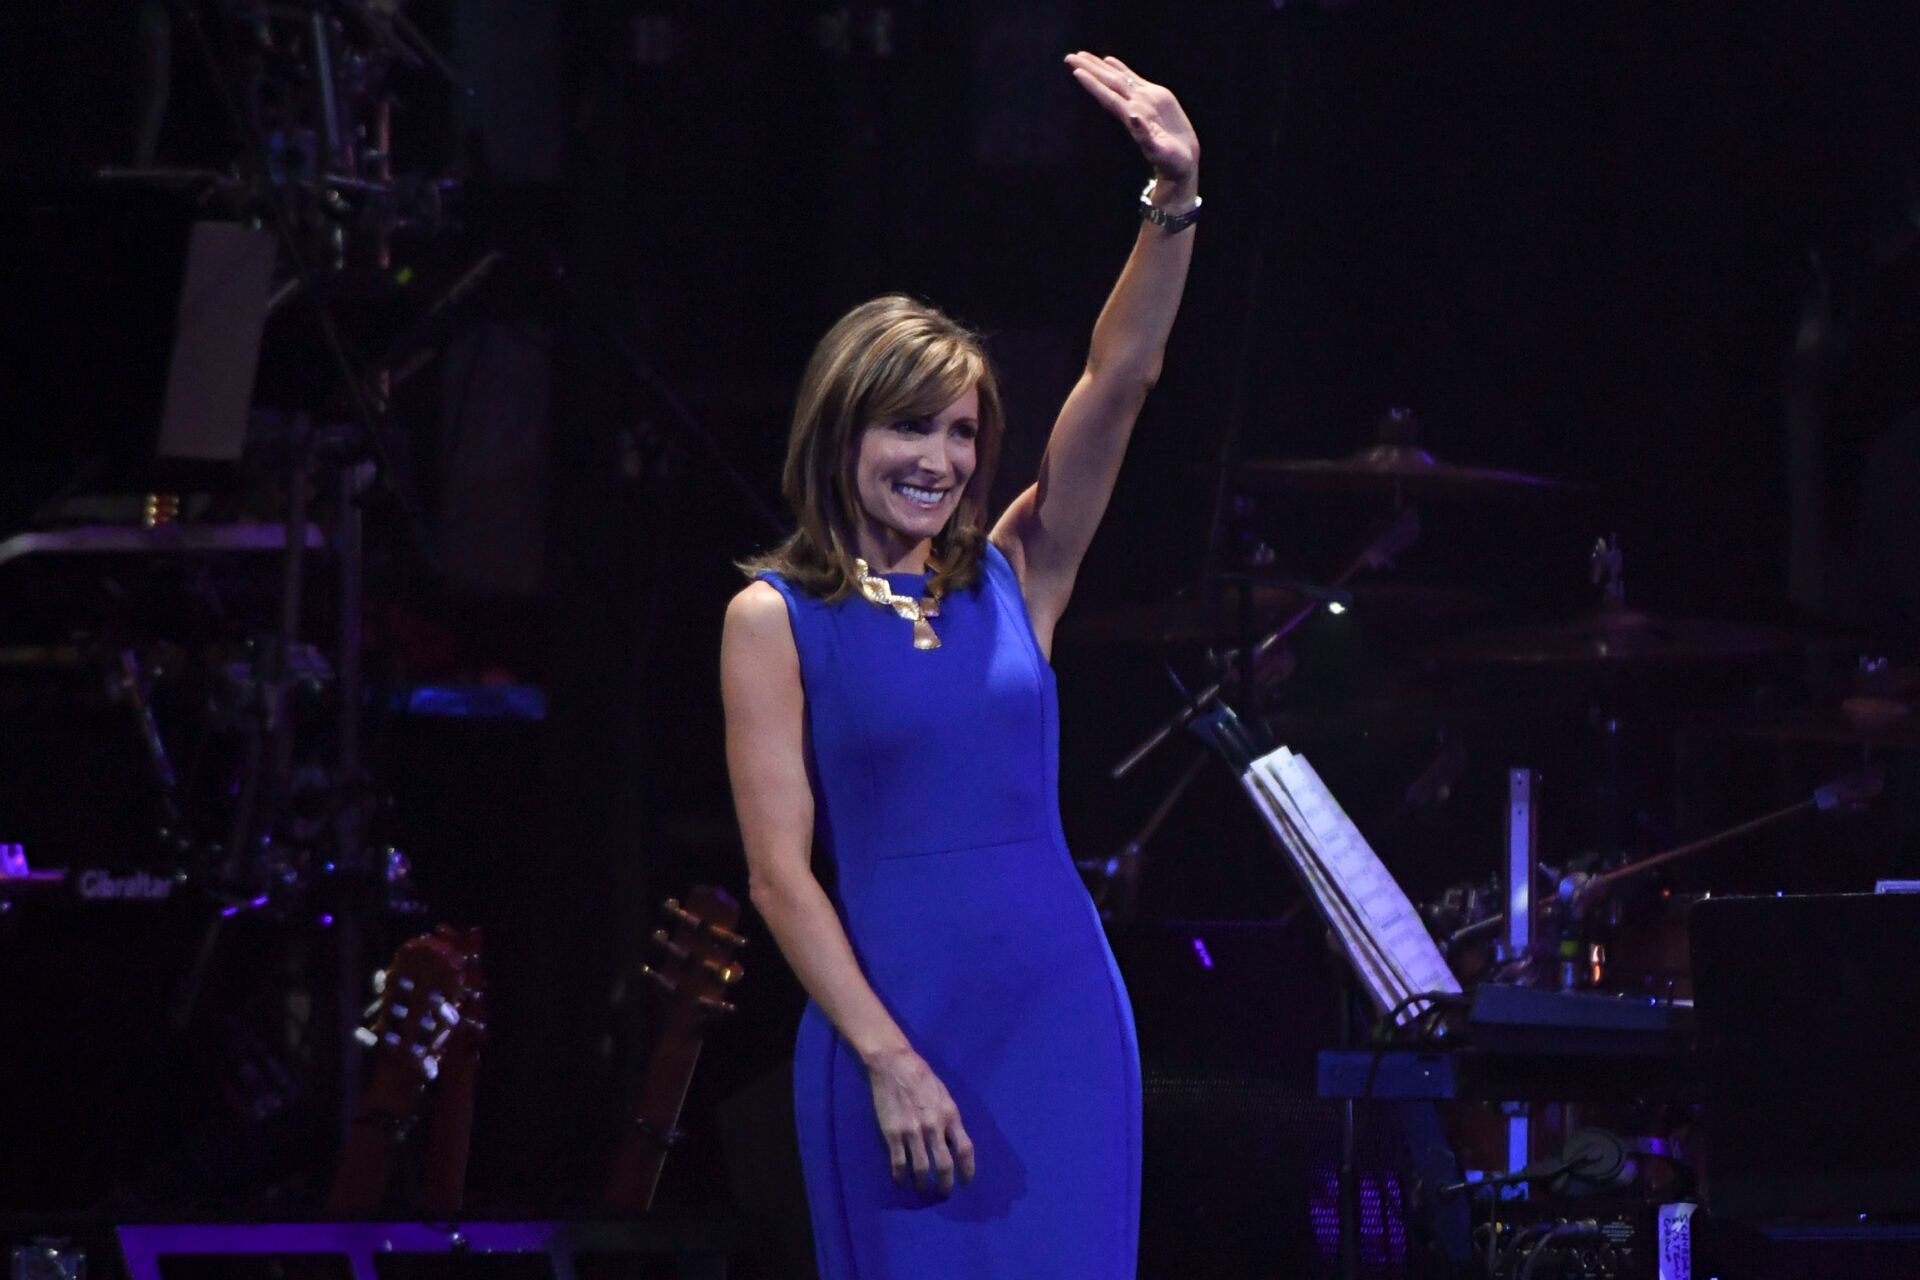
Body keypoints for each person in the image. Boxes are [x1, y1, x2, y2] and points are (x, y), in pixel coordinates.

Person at [720, 51, 1198, 1278]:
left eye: (961, 429)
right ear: (842, 431)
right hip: (896, 1027)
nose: (937, 456)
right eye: (906, 424)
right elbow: (781, 879)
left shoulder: (1015, 571)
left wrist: (1174, 200)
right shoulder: (774, 617)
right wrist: (887, 1058)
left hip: (1060, 1020)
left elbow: (1120, 381)